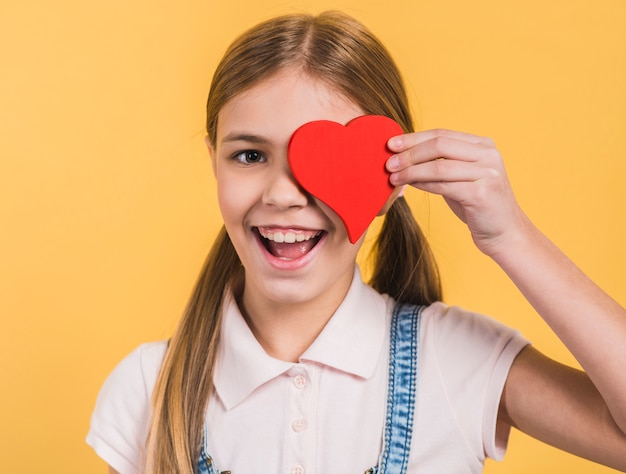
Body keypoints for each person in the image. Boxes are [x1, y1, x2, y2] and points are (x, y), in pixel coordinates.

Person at [86, 11, 626, 474]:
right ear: (213, 162)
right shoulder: (147, 388)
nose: (283, 194)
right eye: (250, 155)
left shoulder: (456, 360)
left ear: (390, 181)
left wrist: (512, 237)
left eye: (320, 164)